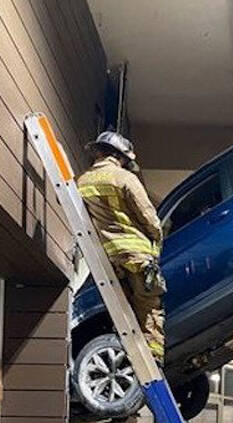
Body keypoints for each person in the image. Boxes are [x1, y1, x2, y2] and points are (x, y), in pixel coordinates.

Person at [77, 130, 166, 363]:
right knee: (149, 307)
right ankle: (153, 360)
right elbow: (149, 217)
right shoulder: (125, 178)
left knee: (124, 311)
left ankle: (126, 358)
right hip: (137, 255)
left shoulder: (82, 181)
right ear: (120, 156)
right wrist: (157, 238)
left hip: (109, 258)